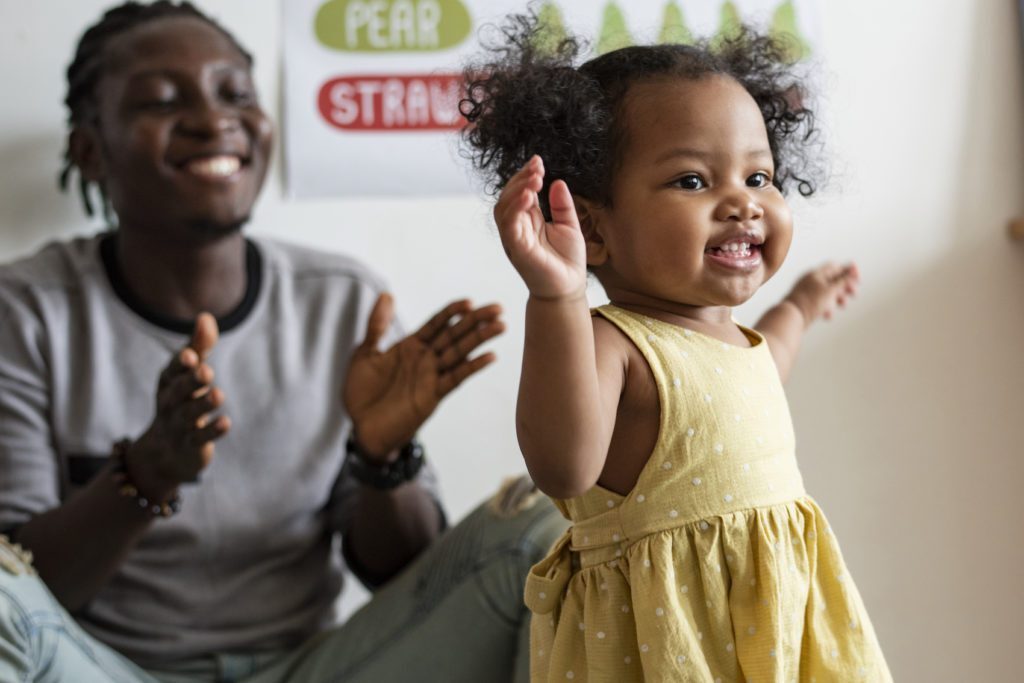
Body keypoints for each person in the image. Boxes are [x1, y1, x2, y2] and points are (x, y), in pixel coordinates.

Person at [0, 2, 567, 682]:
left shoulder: (342, 301)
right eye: (160, 101)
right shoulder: (28, 310)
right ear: (91, 150)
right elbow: (26, 584)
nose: (214, 120)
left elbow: (405, 573)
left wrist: (380, 457)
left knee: (541, 528)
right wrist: (143, 475)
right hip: (102, 669)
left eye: (235, 93)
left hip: (314, 668)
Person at [460, 14, 893, 682]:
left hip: (777, 636)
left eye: (758, 178)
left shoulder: (731, 338)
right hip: (671, 648)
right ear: (594, 229)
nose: (742, 205)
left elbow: (761, 370)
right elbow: (565, 465)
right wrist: (558, 298)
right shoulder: (615, 342)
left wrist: (800, 307)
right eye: (694, 181)